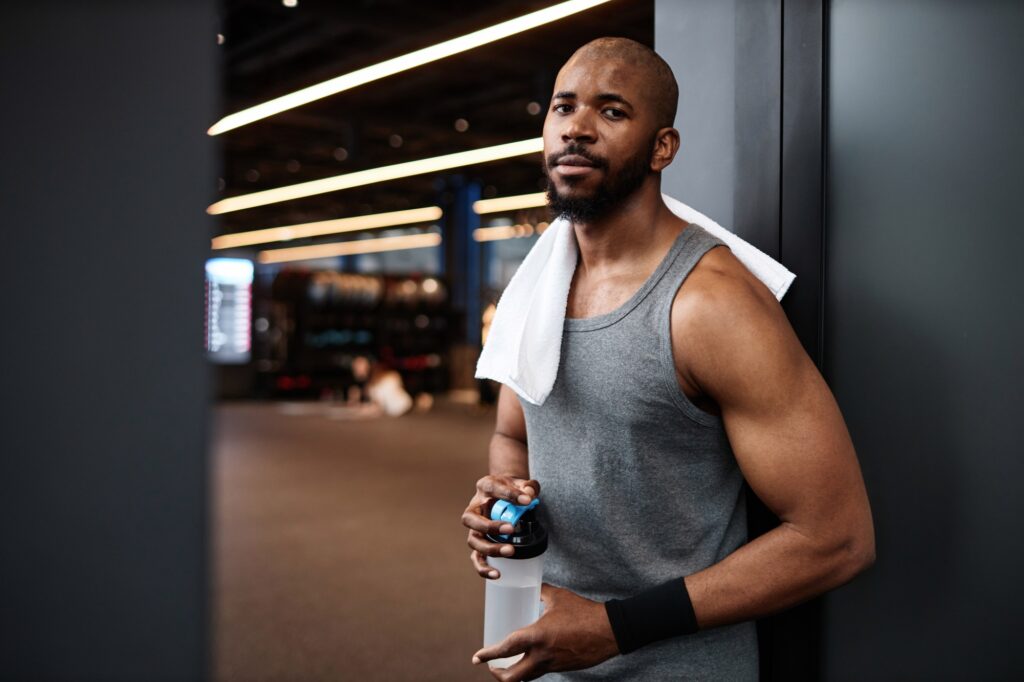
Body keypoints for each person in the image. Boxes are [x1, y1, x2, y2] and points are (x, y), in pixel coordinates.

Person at [461, 37, 875, 681]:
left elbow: (836, 538)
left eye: (612, 111)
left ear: (663, 147)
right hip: (551, 659)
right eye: (563, 107)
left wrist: (611, 629)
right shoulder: (539, 284)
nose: (578, 128)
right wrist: (505, 503)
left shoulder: (710, 305)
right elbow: (511, 433)